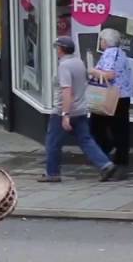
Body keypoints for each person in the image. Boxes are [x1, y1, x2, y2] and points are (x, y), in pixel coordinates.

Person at [39, 37, 117, 183]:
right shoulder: (79, 62)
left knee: (52, 142)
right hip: (81, 110)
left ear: (61, 49)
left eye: (57, 48)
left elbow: (67, 91)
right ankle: (106, 165)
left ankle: (53, 173)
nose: (56, 50)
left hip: (64, 110)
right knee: (86, 140)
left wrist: (65, 114)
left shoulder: (64, 66)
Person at [89, 28, 133, 180]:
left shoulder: (111, 53)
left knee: (97, 127)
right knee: (120, 130)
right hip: (122, 96)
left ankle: (111, 158)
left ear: (106, 41)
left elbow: (109, 74)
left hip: (112, 97)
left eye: (101, 39)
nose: (100, 42)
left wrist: (92, 71)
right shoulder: (121, 54)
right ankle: (119, 161)